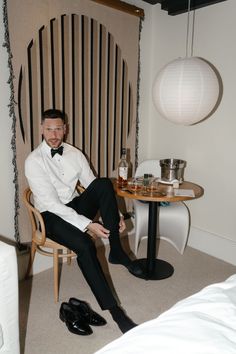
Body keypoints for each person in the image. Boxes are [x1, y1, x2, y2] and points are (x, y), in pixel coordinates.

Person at [25, 108, 142, 334]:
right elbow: (51, 204)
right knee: (86, 245)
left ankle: (116, 250)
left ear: (65, 129)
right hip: (50, 216)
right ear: (41, 129)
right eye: (49, 129)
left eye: (58, 128)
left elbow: (90, 184)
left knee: (103, 184)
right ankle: (116, 313)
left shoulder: (74, 153)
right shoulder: (34, 161)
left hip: (73, 205)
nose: (54, 134)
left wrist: (115, 215)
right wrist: (88, 224)